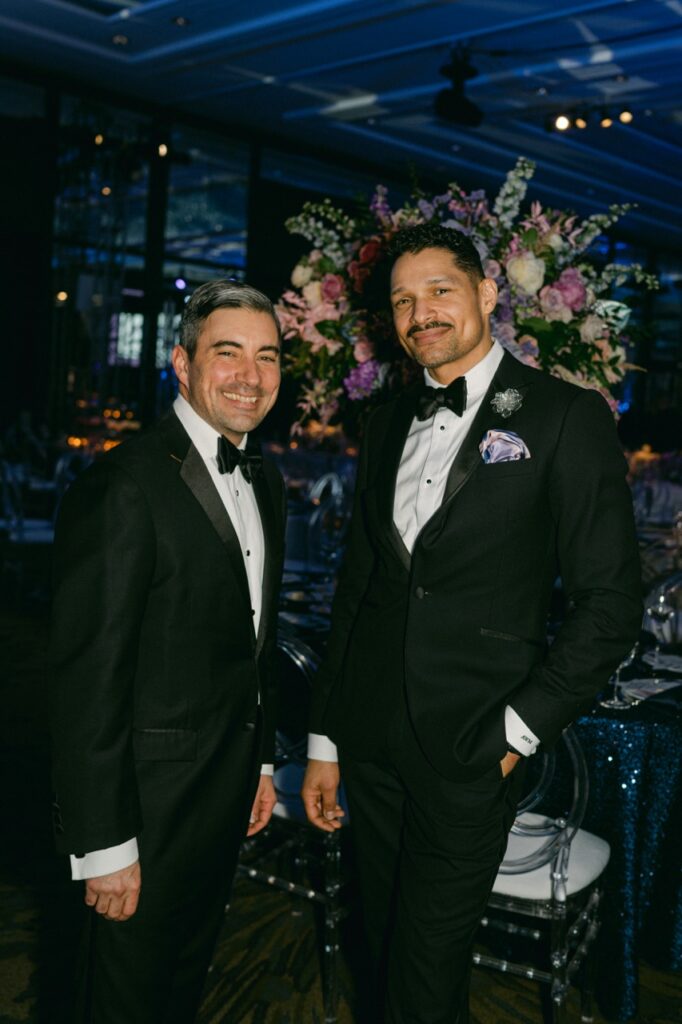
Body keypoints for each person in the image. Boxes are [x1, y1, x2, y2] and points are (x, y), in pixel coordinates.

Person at [301, 224, 642, 1023]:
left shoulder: (564, 416)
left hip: (474, 745)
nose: (420, 313)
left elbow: (610, 606)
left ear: (488, 294)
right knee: (380, 949)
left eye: (439, 291)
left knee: (424, 976)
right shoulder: (385, 420)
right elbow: (359, 590)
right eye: (402, 301)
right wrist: (325, 739)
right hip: (371, 739)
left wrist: (517, 731)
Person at [49, 281, 286, 1024]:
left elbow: (254, 641)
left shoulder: (268, 479)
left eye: (268, 356)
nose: (251, 375)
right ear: (183, 365)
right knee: (118, 1001)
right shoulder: (124, 485)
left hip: (223, 793)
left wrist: (261, 763)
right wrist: (104, 844)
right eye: (228, 352)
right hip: (142, 813)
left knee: (180, 988)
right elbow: (86, 681)